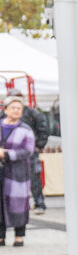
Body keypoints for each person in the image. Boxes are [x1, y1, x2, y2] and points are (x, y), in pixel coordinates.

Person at [1, 97, 35, 245]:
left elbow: (28, 150)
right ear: (5, 109)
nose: (15, 110)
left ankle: (19, 235)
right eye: (13, 107)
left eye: (19, 108)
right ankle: (1, 235)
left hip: (18, 172)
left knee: (19, 203)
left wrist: (7, 154)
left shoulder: (25, 129)